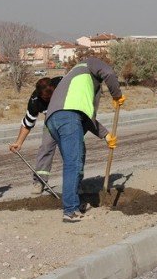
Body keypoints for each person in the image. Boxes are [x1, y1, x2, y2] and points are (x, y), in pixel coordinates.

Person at [45, 57, 124, 223]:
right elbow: (109, 73)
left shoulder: (78, 80)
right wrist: (117, 95)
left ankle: (77, 200)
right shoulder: (91, 63)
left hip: (54, 120)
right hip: (68, 116)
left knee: (77, 158)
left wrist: (106, 135)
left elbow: (88, 119)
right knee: (73, 163)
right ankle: (70, 210)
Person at [9, 76, 62, 194]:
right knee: (45, 148)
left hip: (70, 121)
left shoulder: (62, 84)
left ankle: (76, 182)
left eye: (51, 96)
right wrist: (19, 142)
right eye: (46, 98)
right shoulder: (35, 101)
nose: (49, 100)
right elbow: (28, 123)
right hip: (51, 122)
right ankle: (39, 181)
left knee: (72, 150)